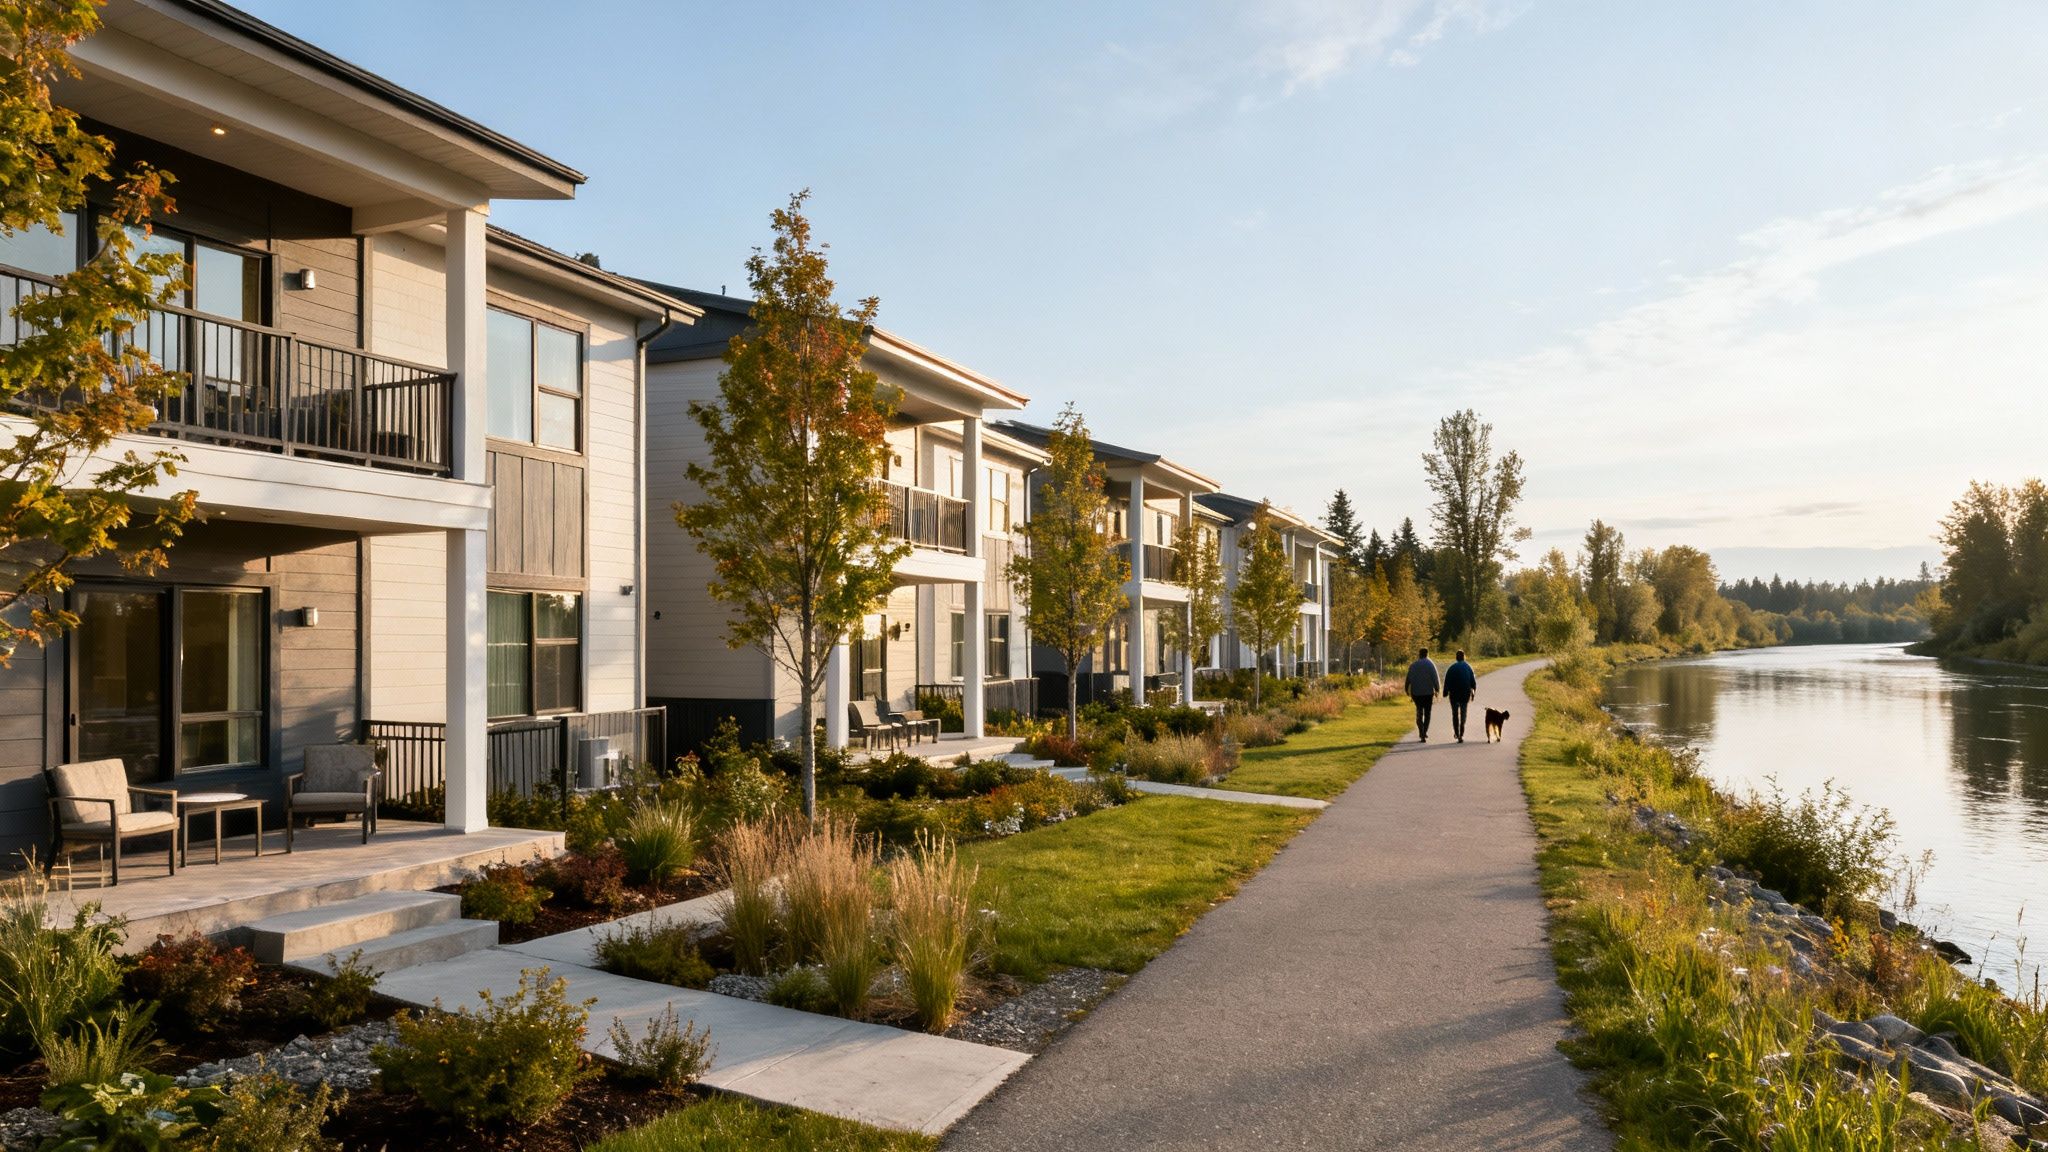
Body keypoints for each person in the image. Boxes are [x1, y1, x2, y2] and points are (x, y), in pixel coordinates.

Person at [1404, 647, 1440, 742]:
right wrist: (1437, 689)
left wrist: (1406, 689)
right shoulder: (1430, 664)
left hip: (1417, 693)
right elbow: (1435, 678)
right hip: (1428, 693)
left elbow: (1408, 679)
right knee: (1427, 713)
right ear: (1427, 654)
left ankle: (1421, 731)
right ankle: (1424, 732)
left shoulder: (1414, 665)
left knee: (1419, 712)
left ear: (1419, 654)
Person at [1444, 649, 1478, 742]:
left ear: (1456, 657)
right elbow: (1473, 683)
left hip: (1454, 694)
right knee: (1463, 713)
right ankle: (1461, 733)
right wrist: (1473, 693)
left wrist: (1445, 692)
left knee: (1455, 714)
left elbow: (1447, 681)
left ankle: (1457, 732)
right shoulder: (1468, 667)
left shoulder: (1451, 668)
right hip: (1464, 693)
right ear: (1464, 657)